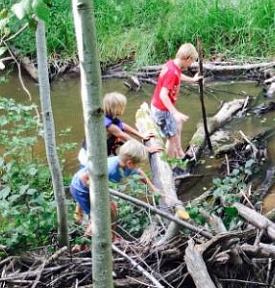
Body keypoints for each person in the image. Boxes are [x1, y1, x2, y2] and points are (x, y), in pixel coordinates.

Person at [75, 92, 161, 222]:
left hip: (98, 155)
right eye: (122, 106)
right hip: (89, 157)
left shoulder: (111, 118)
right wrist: (146, 149)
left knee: (89, 180)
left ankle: (83, 210)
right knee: (86, 182)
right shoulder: (107, 124)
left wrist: (141, 135)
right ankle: (80, 212)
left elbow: (123, 126)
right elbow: (122, 135)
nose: (124, 109)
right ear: (116, 108)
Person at [69, 140, 159, 240]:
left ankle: (112, 235)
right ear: (129, 163)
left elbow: (139, 172)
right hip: (81, 188)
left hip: (98, 186)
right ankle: (81, 243)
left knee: (113, 209)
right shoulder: (110, 168)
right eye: (138, 164)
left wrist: (153, 188)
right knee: (98, 219)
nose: (138, 166)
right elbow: (84, 178)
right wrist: (98, 198)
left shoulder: (126, 165)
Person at [151, 43, 203, 174]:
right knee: (171, 138)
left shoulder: (172, 65)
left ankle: (179, 155)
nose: (191, 65)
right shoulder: (172, 72)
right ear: (188, 58)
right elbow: (163, 95)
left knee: (176, 128)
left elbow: (178, 76)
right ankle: (171, 168)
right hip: (162, 110)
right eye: (192, 62)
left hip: (161, 107)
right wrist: (175, 112)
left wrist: (193, 80)